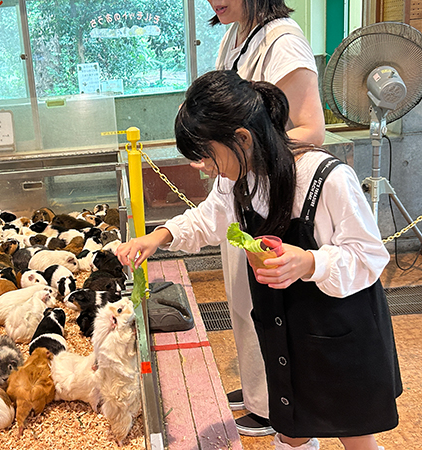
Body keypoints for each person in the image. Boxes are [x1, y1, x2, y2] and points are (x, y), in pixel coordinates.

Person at [116, 70, 401, 450]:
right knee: (290, 427)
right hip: (283, 327)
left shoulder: (326, 177)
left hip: (339, 332)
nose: (203, 166)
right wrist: (160, 236)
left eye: (206, 153)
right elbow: (210, 217)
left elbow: (368, 257)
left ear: (243, 139)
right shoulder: (239, 180)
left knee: (354, 435)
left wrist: (310, 262)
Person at [198, 0, 326, 435]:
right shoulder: (233, 35)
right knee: (241, 297)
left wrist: (238, 153)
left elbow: (311, 128)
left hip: (274, 195)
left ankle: (278, 405)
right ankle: (260, 393)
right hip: (241, 187)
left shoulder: (283, 40)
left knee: (267, 300)